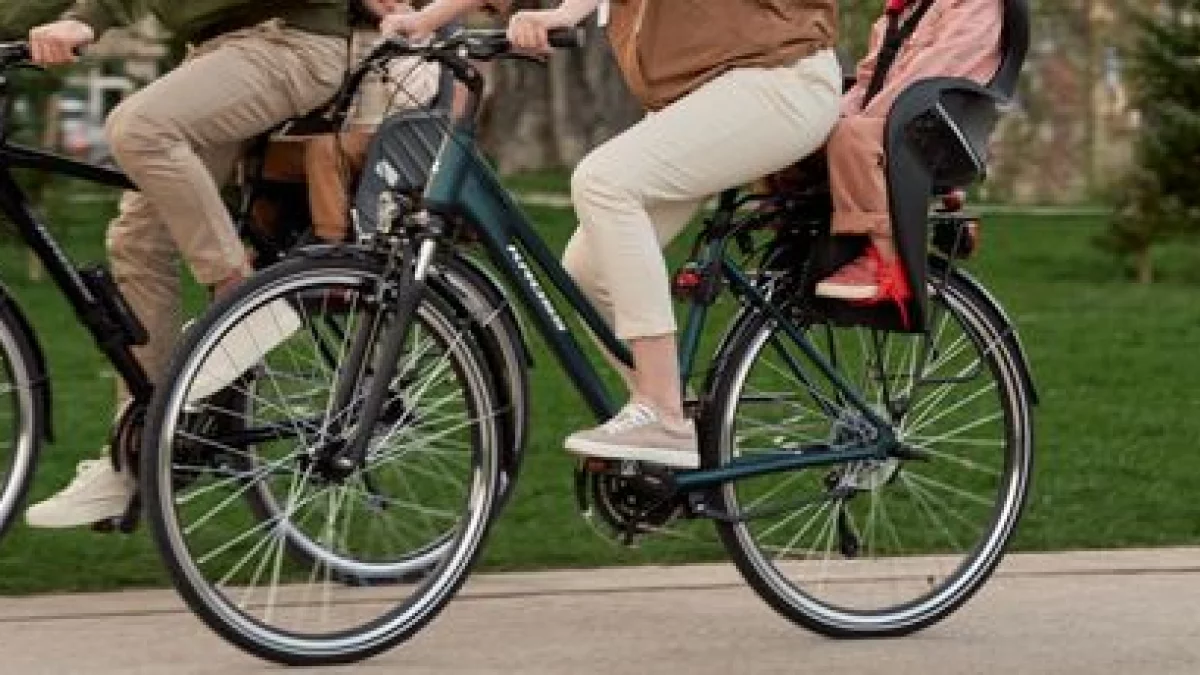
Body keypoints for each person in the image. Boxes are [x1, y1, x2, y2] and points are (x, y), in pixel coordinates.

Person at [24, 0, 348, 528]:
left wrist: (97, 18)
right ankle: (136, 448)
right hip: (219, 53)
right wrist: (79, 20)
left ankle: (240, 298)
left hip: (291, 41)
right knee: (139, 239)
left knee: (139, 127)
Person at [497, 0, 841, 469]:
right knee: (589, 269)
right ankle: (684, 425)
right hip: (706, 94)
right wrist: (425, 21)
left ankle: (663, 411)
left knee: (604, 182)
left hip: (778, 78)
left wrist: (563, 15)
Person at [814, 0, 1003, 306]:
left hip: (934, 122)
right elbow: (869, 79)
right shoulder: (902, 10)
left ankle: (886, 259)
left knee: (852, 138)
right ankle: (801, 244)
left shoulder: (976, 6)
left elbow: (934, 71)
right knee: (803, 136)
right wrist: (826, 120)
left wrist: (861, 118)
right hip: (899, 113)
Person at [256, 0, 441, 244]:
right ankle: (268, 242)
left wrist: (401, 38)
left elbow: (417, 96)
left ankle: (332, 244)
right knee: (269, 155)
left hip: (393, 138)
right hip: (346, 129)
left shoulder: (419, 30)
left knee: (325, 150)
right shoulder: (348, 32)